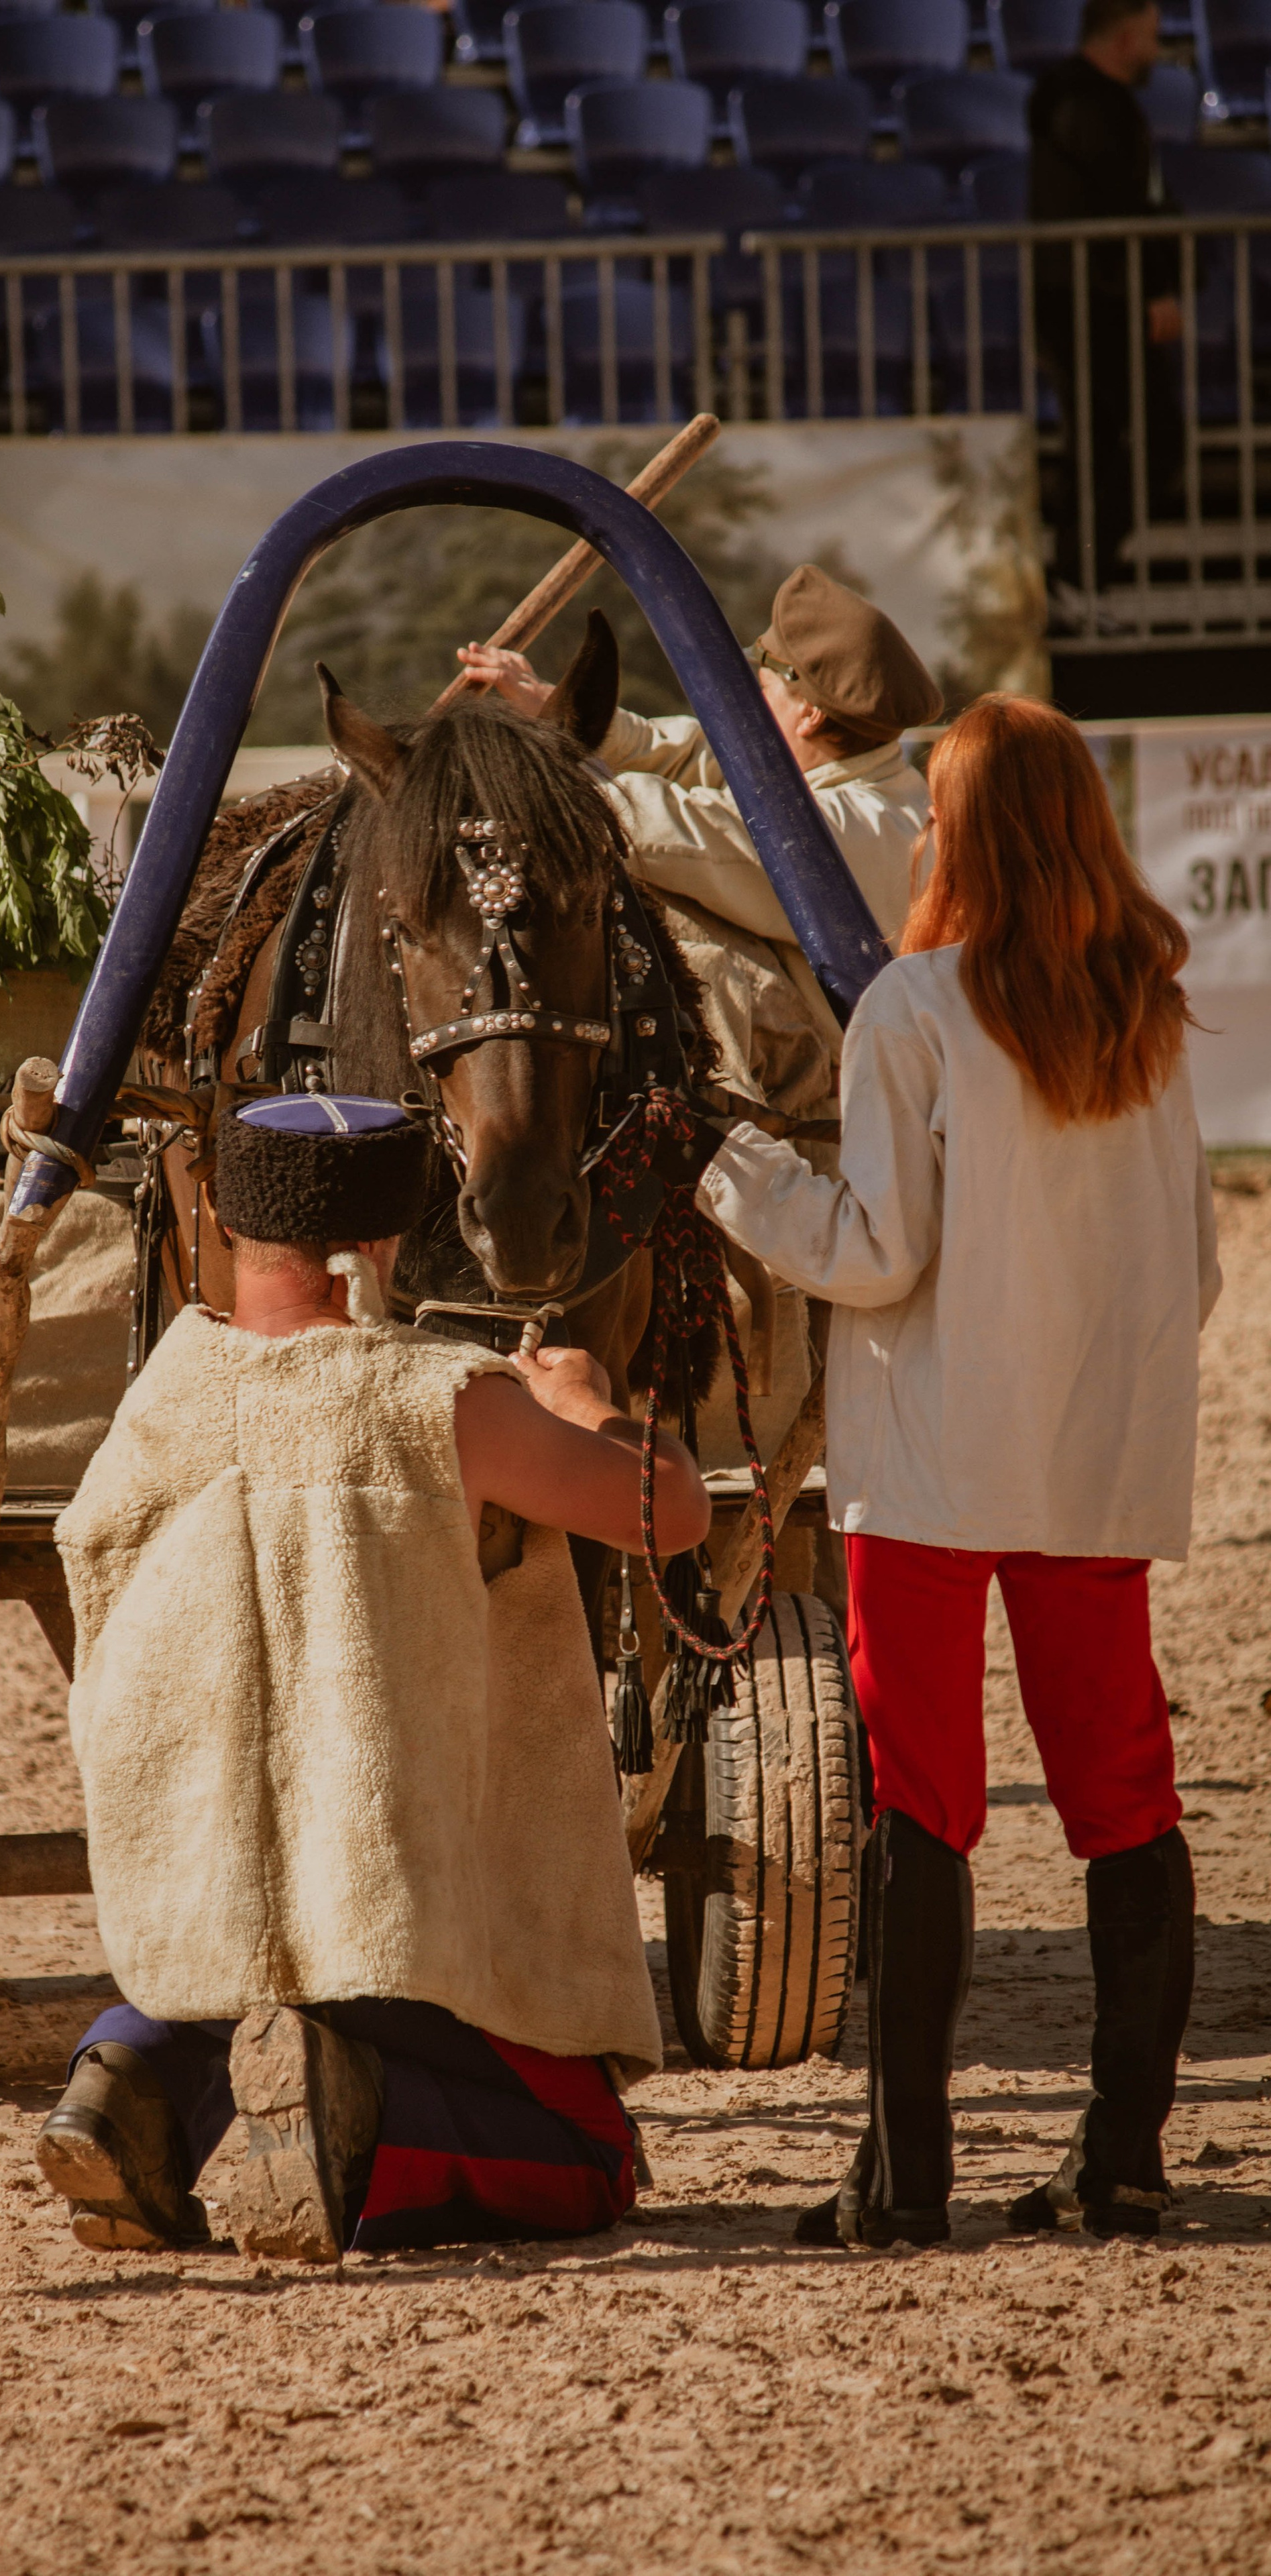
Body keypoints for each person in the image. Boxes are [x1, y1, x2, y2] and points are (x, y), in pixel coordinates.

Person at [683, 692, 1219, 2249]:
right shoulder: (1147, 1011)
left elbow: (874, 1256)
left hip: (927, 1465)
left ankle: (902, 2181)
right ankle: (1120, 2159)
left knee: (921, 1801)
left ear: (968, 834)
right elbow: (1192, 1266)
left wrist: (723, 1165)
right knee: (1122, 1797)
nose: (918, 832)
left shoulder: (912, 1007)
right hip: (1089, 1461)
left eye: (934, 812)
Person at [37, 1093, 709, 2261]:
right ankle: (361, 2112)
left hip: (207, 1917)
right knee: (590, 2156)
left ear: (231, 1223)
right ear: (387, 1240)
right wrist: (587, 1403)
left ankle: (135, 2063)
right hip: (391, 1924)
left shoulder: (164, 1398)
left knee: (235, 1991)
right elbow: (677, 1513)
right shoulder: (443, 1401)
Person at [458, 567, 943, 1077]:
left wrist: (527, 791)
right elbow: (707, 753)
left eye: (762, 689)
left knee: (697, 960)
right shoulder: (854, 776)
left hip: (836, 1101)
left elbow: (680, 834)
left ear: (810, 716)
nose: (749, 704)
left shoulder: (861, 825)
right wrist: (564, 713)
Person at [1030, 0, 1184, 606]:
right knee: (1145, 440)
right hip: (1096, 303)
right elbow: (1118, 209)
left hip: (1092, 299)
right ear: (1123, 39)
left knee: (1104, 444)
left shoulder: (1089, 101)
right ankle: (1076, 580)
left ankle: (1077, 584)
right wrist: (1154, 287)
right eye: (1150, 35)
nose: (1157, 49)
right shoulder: (1086, 107)